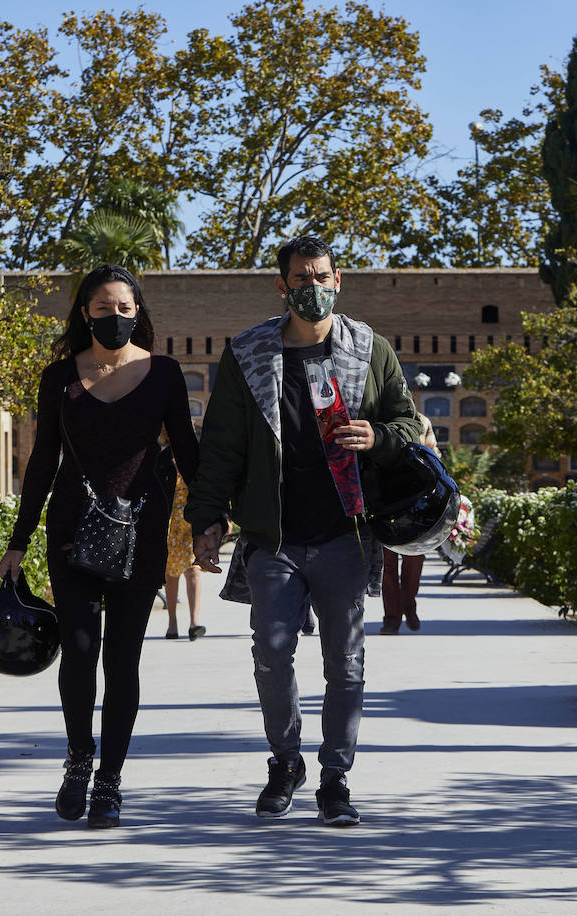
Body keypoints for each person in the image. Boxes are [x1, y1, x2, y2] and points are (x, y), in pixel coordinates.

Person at [187, 235, 422, 826]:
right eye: (300, 278)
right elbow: (221, 447)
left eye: (321, 276)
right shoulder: (248, 354)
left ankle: (335, 779)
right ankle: (284, 761)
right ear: (281, 285)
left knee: (345, 664)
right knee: (271, 652)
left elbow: (407, 425)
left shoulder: (371, 349)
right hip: (275, 538)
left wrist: (378, 437)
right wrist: (207, 519)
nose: (311, 287)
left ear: (337, 279)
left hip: (345, 534)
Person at [0, 264, 198, 829]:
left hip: (141, 532)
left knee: (123, 659)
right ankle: (77, 759)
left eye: (126, 308)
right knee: (81, 652)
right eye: (105, 308)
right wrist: (19, 541)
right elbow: (42, 463)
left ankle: (110, 781)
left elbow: (186, 451)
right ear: (85, 312)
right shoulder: (58, 377)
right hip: (71, 531)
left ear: (139, 312)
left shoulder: (163, 373)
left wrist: (210, 519)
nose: (116, 317)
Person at [380, 414, 439, 634]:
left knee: (415, 559)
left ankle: (409, 605)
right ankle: (391, 618)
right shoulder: (378, 417)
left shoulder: (422, 422)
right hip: (385, 501)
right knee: (387, 566)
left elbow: (434, 456)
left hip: (416, 502)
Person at [163, 469, 205, 641]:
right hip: (168, 520)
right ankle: (172, 622)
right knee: (171, 573)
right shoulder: (162, 453)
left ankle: (194, 623)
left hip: (191, 520)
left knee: (193, 568)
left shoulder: (192, 450)